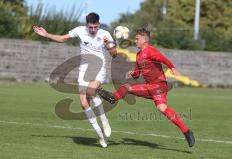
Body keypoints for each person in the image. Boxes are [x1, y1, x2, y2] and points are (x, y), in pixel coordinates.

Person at [97, 28, 195, 147]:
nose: (136, 40)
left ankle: (113, 98)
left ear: (144, 39)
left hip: (157, 85)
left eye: (137, 38)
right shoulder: (139, 55)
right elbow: (138, 74)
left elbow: (163, 59)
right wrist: (132, 73)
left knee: (127, 87)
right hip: (157, 87)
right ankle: (186, 132)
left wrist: (172, 68)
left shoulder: (150, 51)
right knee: (162, 108)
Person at [33, 12, 117, 148]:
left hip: (99, 68)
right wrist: (46, 34)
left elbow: (115, 54)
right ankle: (100, 135)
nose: (94, 30)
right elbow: (62, 38)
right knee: (84, 103)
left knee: (90, 92)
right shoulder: (80, 31)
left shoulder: (105, 34)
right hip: (83, 70)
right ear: (86, 25)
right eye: (91, 27)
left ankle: (104, 118)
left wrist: (109, 46)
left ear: (99, 24)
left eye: (96, 27)